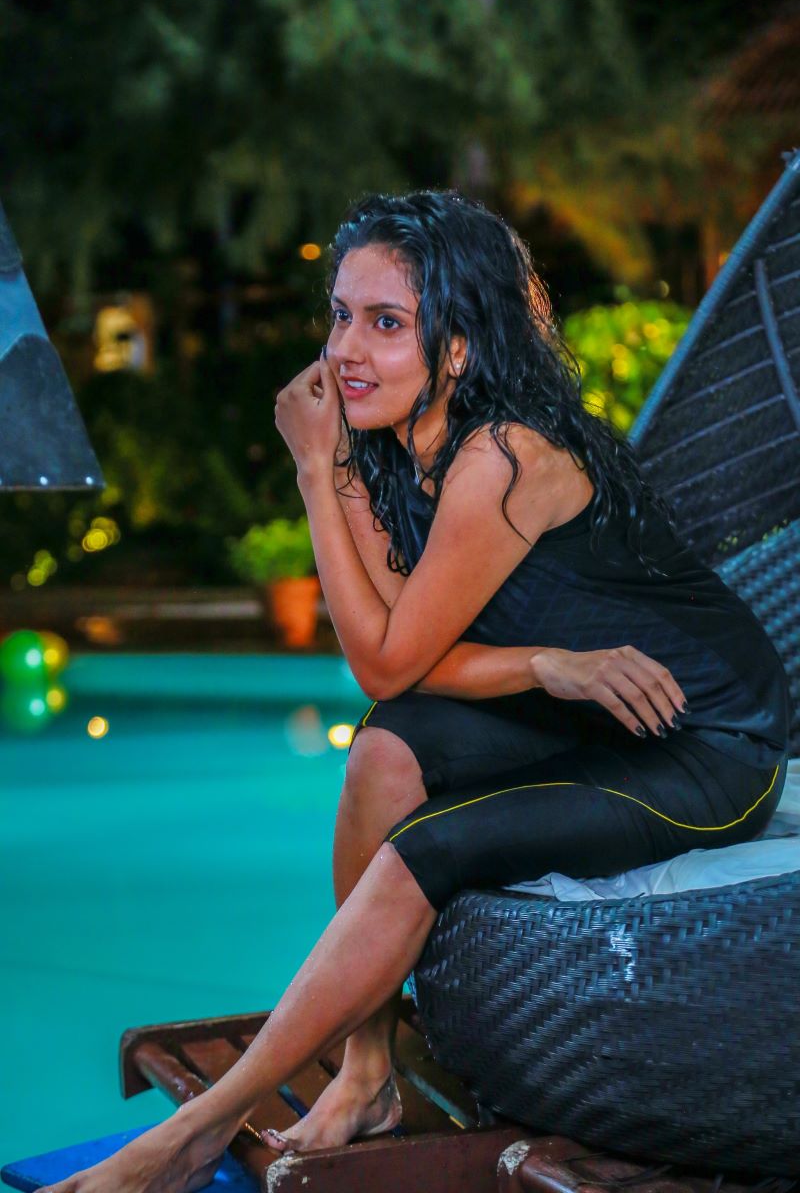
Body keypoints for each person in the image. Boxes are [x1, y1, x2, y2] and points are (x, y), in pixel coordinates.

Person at [41, 190, 791, 1193]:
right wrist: (543, 665)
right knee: (386, 750)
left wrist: (317, 474)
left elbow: (386, 660)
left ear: (458, 351)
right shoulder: (397, 448)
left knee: (423, 845)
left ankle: (190, 1136)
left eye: (386, 323)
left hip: (702, 738)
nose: (345, 349)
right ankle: (365, 1073)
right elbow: (406, 658)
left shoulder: (501, 456)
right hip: (581, 709)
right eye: (340, 314)